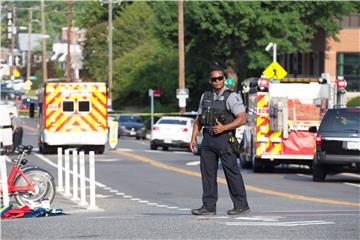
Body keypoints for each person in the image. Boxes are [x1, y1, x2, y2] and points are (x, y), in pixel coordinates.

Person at [189, 66, 250, 215]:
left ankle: (241, 205)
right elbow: (198, 119)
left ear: (224, 79)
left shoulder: (231, 96)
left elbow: (242, 118)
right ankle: (208, 207)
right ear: (210, 81)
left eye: (220, 78)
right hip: (208, 139)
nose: (217, 81)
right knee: (207, 174)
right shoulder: (206, 96)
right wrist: (193, 138)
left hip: (225, 139)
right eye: (214, 79)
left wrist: (225, 128)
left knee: (232, 173)